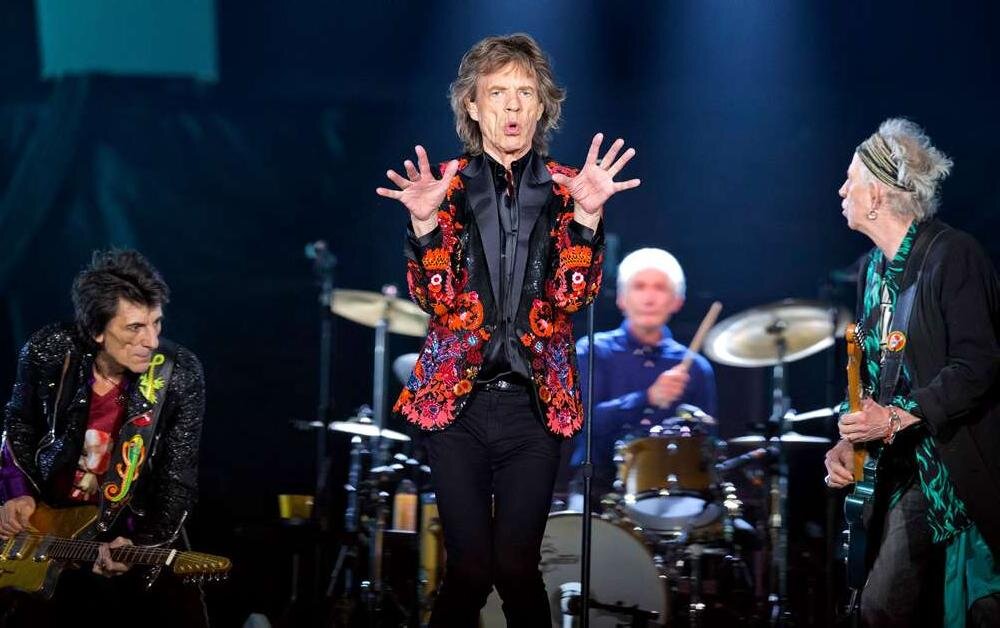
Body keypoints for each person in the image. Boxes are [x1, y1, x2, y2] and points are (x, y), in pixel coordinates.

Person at [377, 33, 641, 627]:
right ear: (472, 106)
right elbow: (435, 301)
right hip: (457, 409)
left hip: (534, 409)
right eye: (497, 93)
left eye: (525, 92)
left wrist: (588, 216)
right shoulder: (442, 187)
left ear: (543, 105)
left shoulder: (571, 187)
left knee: (517, 569)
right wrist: (424, 226)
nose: (512, 106)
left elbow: (573, 297)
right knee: (470, 570)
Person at [823, 118, 1000, 627]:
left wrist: (895, 418)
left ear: (877, 195)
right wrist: (851, 440)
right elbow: (878, 377)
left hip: (962, 467)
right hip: (909, 470)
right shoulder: (873, 270)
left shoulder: (953, 255)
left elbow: (976, 366)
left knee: (980, 610)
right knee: (879, 607)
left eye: (850, 180)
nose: (841, 191)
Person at [0, 249, 207, 627]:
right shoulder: (50, 350)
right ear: (97, 331)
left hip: (130, 527)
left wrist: (141, 544)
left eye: (157, 323)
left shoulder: (180, 375)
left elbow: (177, 478)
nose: (151, 340)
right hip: (48, 526)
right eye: (134, 328)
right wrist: (16, 491)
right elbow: (19, 424)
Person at [570, 247, 718, 503]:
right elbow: (580, 425)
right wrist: (647, 398)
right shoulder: (592, 350)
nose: (649, 298)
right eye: (639, 287)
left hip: (674, 492)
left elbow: (707, 445)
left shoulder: (696, 368)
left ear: (677, 301)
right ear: (621, 298)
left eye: (660, 288)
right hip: (597, 487)